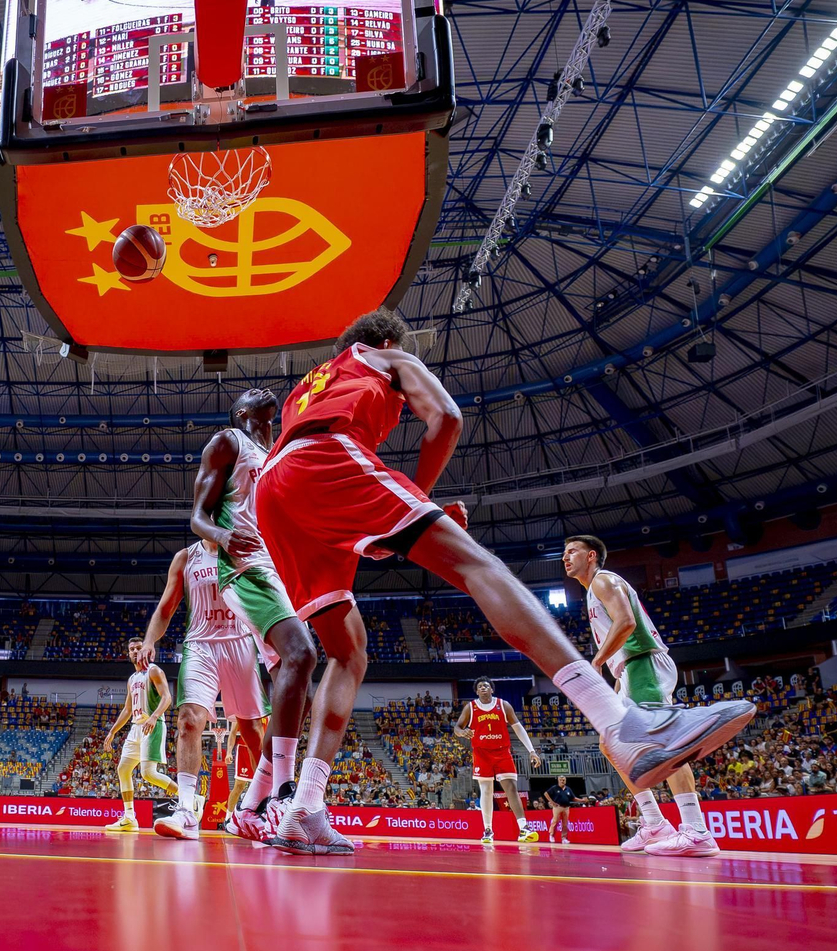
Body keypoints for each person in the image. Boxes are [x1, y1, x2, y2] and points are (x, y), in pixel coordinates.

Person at [253, 308, 756, 854]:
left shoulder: (306, 386)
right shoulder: (383, 355)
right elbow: (445, 417)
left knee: (347, 652)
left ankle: (304, 807)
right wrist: (420, 498)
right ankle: (620, 725)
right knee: (478, 564)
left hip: (273, 491)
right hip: (324, 460)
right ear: (385, 340)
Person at [182, 387, 318, 842]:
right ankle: (282, 794)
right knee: (301, 655)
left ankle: (249, 806)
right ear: (242, 412)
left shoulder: (277, 453)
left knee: (297, 688)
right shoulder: (228, 442)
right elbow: (197, 517)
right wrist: (222, 535)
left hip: (278, 567)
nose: (263, 389)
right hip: (244, 565)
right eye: (251, 394)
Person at [564, 534, 718, 857]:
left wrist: (596, 661)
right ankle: (655, 822)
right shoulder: (593, 591)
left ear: (591, 556)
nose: (565, 557)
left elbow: (627, 622)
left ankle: (696, 829)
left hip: (643, 664)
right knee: (610, 745)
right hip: (629, 671)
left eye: (572, 551)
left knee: (664, 743)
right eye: (564, 553)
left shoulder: (603, 581)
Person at [139, 537, 270, 841]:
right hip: (200, 645)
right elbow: (166, 607)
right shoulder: (186, 558)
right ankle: (186, 810)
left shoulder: (244, 550)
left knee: (252, 730)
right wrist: (149, 640)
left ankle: (265, 807)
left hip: (240, 642)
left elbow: (265, 599)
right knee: (188, 721)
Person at [100, 637, 177, 833]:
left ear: (147, 651)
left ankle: (189, 798)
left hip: (152, 724)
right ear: (128, 653)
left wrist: (154, 716)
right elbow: (127, 709)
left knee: (148, 773)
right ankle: (129, 817)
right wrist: (112, 731)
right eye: (132, 649)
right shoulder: (132, 679)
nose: (135, 651)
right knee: (123, 769)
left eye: (138, 648)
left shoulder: (153, 670)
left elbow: (167, 697)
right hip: (136, 728)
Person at [453, 677, 541, 843]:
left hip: (502, 752)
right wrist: (462, 732)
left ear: (492, 690)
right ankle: (488, 830)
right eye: (480, 686)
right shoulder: (470, 708)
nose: (483, 688)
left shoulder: (503, 705)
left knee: (511, 788)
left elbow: (518, 728)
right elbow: (457, 727)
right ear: (477, 691)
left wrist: (532, 751)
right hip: (481, 753)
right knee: (486, 790)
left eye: (486, 685)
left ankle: (523, 828)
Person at [542, 775, 575, 844]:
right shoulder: (555, 788)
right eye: (561, 780)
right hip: (557, 807)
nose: (562, 781)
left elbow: (573, 798)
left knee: (565, 823)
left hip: (566, 807)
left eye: (564, 780)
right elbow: (546, 793)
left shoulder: (568, 789)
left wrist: (582, 800)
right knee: (555, 821)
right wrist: (552, 802)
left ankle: (564, 838)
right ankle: (551, 835)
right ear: (558, 781)